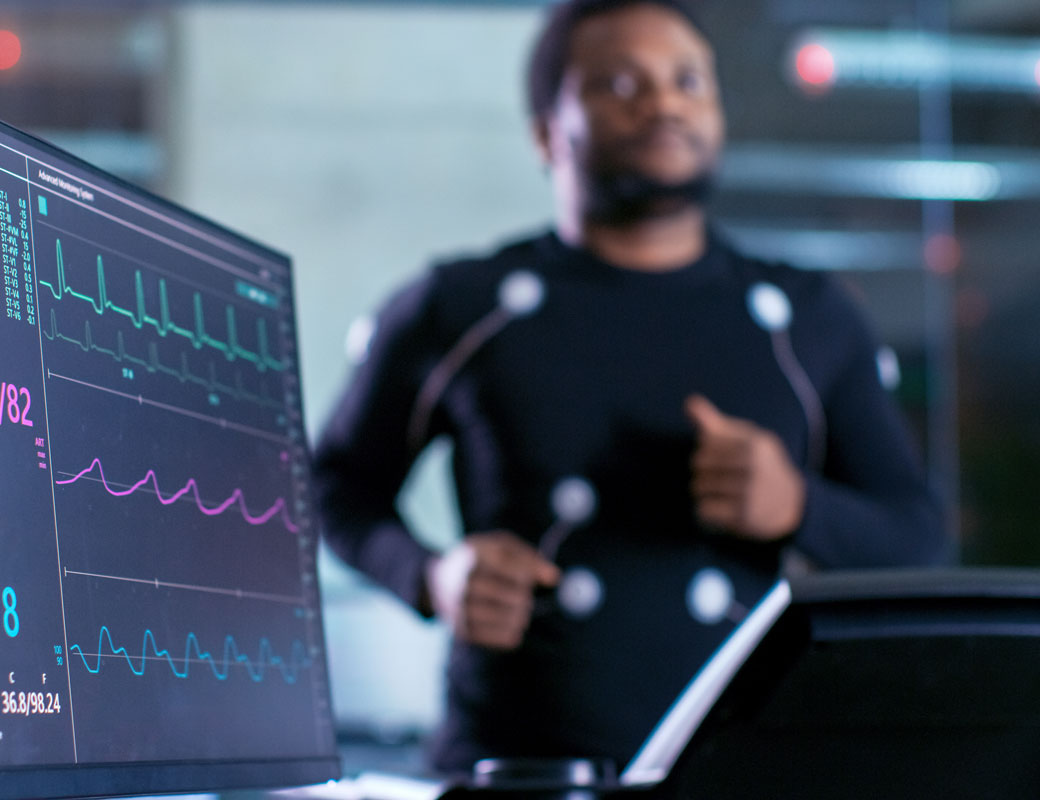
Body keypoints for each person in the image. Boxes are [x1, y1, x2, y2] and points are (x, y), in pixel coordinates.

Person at [312, 0, 951, 773]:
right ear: (547, 132)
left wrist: (798, 507)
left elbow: (918, 536)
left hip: (742, 770)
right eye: (620, 83)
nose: (663, 103)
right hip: (510, 771)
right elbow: (331, 487)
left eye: (688, 81)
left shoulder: (810, 317)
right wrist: (432, 575)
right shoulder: (459, 306)